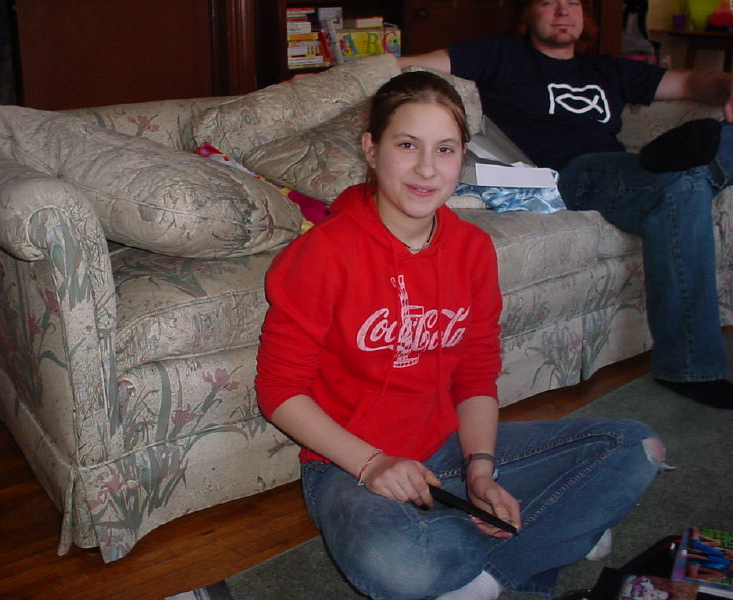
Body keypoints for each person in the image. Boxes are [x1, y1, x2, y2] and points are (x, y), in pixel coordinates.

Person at [255, 70, 665, 600]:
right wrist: (372, 463)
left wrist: (481, 472)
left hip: (447, 449)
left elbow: (475, 373)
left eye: (445, 149)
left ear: (462, 157)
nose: (427, 168)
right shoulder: (321, 255)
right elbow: (280, 391)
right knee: (400, 567)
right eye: (407, 145)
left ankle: (494, 568)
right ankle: (559, 529)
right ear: (372, 150)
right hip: (349, 466)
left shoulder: (472, 250)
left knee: (637, 447)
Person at [397, 0, 733, 409]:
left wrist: (727, 85)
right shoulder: (500, 54)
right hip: (573, 173)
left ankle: (694, 161)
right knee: (682, 177)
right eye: (548, 2)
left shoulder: (607, 69)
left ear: (584, 16)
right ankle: (699, 159)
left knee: (685, 182)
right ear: (528, 15)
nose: (562, 11)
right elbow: (412, 64)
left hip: (632, 171)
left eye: (571, 2)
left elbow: (694, 83)